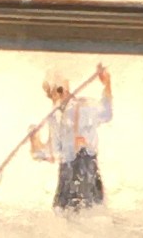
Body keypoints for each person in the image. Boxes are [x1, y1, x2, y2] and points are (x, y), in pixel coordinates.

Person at [31, 64, 113, 209]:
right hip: (66, 174)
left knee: (89, 213)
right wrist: (34, 139)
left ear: (63, 90)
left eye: (57, 91)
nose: (54, 98)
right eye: (51, 94)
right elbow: (52, 152)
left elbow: (106, 113)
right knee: (65, 215)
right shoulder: (54, 116)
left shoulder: (85, 105)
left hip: (86, 167)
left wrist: (107, 83)